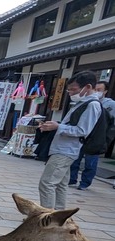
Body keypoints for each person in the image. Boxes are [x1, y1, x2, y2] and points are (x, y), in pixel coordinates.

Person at [38, 71, 101, 210]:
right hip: (64, 148)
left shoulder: (92, 105)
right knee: (60, 184)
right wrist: (54, 126)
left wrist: (58, 126)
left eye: (74, 89)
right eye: (69, 89)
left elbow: (82, 130)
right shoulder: (82, 103)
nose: (70, 92)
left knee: (47, 183)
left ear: (88, 87)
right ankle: (59, 217)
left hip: (66, 150)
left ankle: (47, 218)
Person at [69, 80, 115, 190]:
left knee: (90, 162)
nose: (97, 92)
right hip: (82, 136)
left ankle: (85, 183)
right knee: (75, 159)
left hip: (97, 138)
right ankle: (72, 180)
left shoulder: (110, 105)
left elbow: (111, 125)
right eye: (96, 89)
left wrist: (106, 139)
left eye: (100, 90)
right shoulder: (85, 101)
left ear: (105, 91)